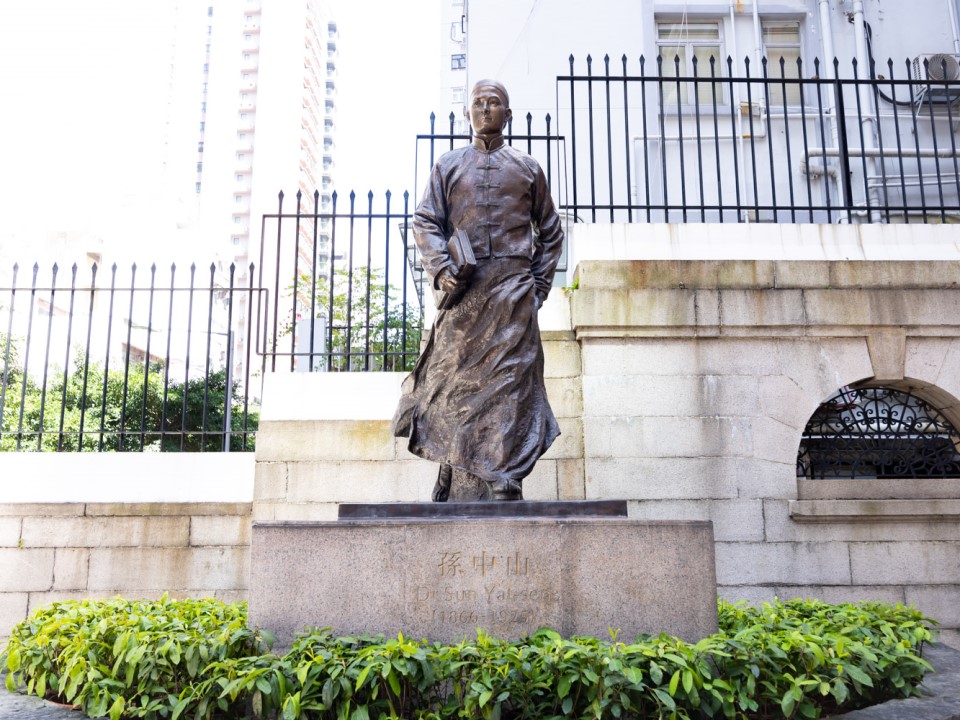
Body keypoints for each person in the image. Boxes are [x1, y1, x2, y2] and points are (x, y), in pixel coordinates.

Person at [392, 80, 564, 501]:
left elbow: (552, 232)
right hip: (465, 292)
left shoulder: (527, 168)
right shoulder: (448, 165)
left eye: (495, 104)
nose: (486, 109)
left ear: (508, 113)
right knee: (452, 382)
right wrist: (442, 267)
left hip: (512, 291)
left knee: (510, 382)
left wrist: (537, 287)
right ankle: (453, 464)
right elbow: (425, 221)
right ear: (467, 113)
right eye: (478, 103)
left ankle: (505, 473)